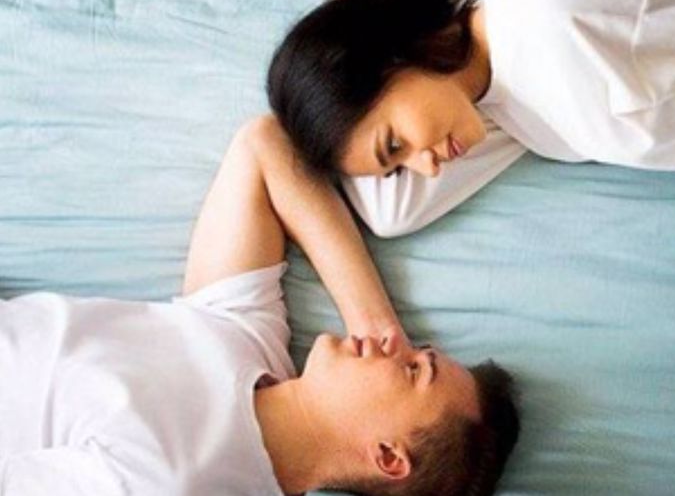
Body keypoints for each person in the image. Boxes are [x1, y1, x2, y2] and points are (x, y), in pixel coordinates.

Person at [0, 116, 520, 496]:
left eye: (412, 370)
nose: (394, 343)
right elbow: (265, 145)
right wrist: (374, 320)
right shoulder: (250, 341)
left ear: (387, 456)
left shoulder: (172, 481)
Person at [268, 0, 675, 238]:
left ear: (389, 57)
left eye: (395, 145)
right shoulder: (484, 99)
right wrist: (345, 10)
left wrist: (359, 22)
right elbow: (393, 216)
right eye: (397, 167)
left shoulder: (561, 9)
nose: (425, 168)